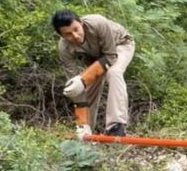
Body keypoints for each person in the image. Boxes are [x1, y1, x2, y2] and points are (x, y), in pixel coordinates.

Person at [52, 10, 135, 138]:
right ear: (61, 36)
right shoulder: (64, 48)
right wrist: (82, 122)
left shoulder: (97, 22)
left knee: (114, 73)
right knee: (82, 87)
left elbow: (111, 56)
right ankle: (86, 130)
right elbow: (75, 86)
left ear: (81, 22)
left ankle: (116, 126)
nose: (75, 36)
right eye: (68, 34)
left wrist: (83, 79)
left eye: (76, 29)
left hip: (119, 45)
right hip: (95, 57)